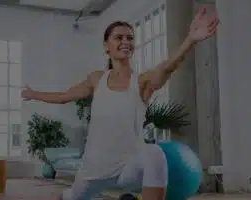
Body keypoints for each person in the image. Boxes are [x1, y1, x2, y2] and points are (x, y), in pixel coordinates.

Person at [21, 6, 219, 200]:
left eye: (130, 37)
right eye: (119, 37)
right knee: (72, 196)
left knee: (154, 154)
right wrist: (33, 93)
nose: (126, 41)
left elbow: (167, 68)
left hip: (128, 167)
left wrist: (190, 40)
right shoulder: (97, 79)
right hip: (94, 169)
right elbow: (64, 96)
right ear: (106, 46)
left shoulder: (141, 82)